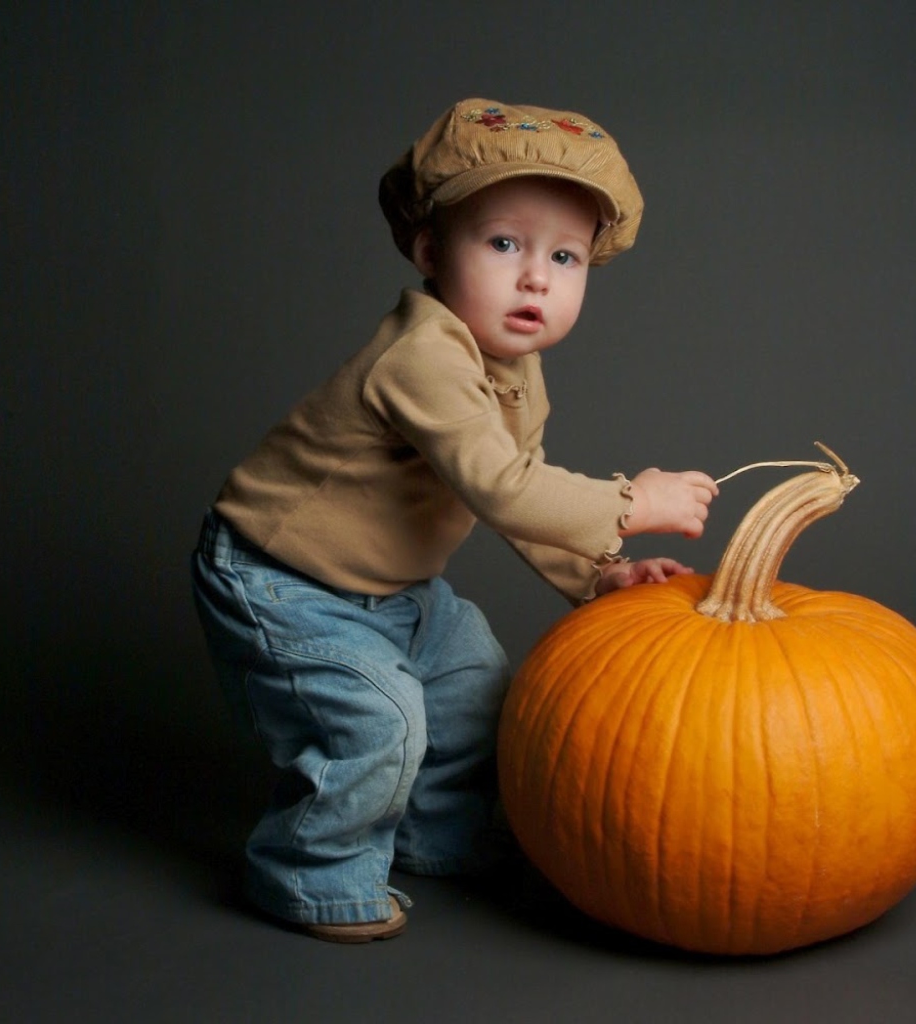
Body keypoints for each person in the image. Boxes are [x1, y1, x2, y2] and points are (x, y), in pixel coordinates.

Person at [191, 99, 718, 943]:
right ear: (433, 251)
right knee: (380, 718)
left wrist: (600, 571)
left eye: (565, 255)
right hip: (281, 580)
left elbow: (524, 492)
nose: (536, 277)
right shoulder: (423, 354)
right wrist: (633, 501)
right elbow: (504, 487)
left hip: (393, 589)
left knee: (475, 687)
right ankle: (308, 872)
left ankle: (437, 835)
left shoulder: (515, 367)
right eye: (504, 244)